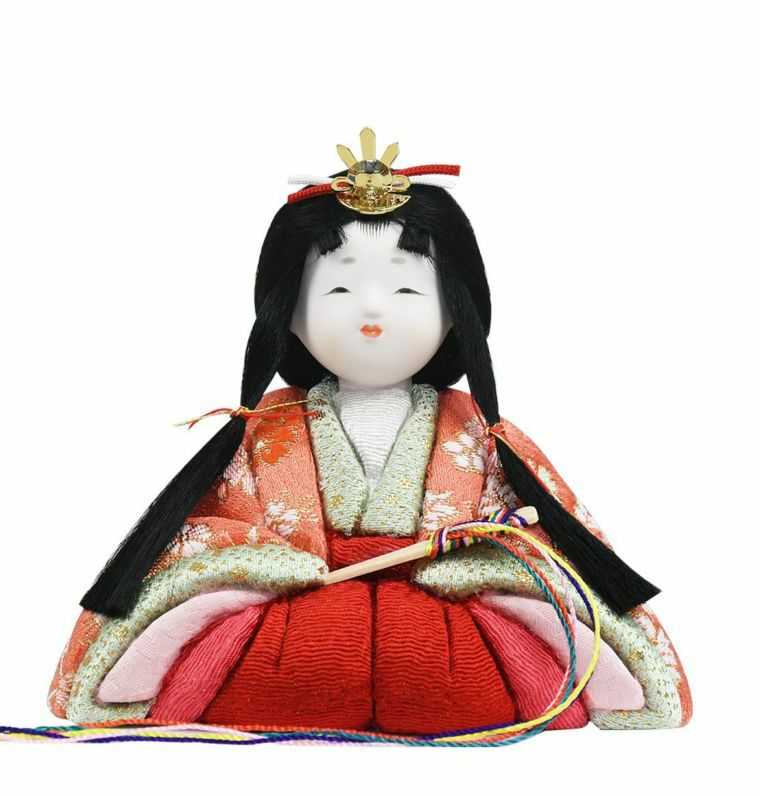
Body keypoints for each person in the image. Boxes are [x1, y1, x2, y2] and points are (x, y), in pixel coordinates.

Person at [48, 130, 691, 736]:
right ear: (288, 314)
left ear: (455, 312)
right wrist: (275, 562)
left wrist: (476, 558)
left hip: (446, 620)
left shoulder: (481, 432)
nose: (373, 308)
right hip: (296, 615)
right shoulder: (263, 430)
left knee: (499, 652)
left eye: (408, 287)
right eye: (339, 287)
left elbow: (543, 537)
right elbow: (214, 530)